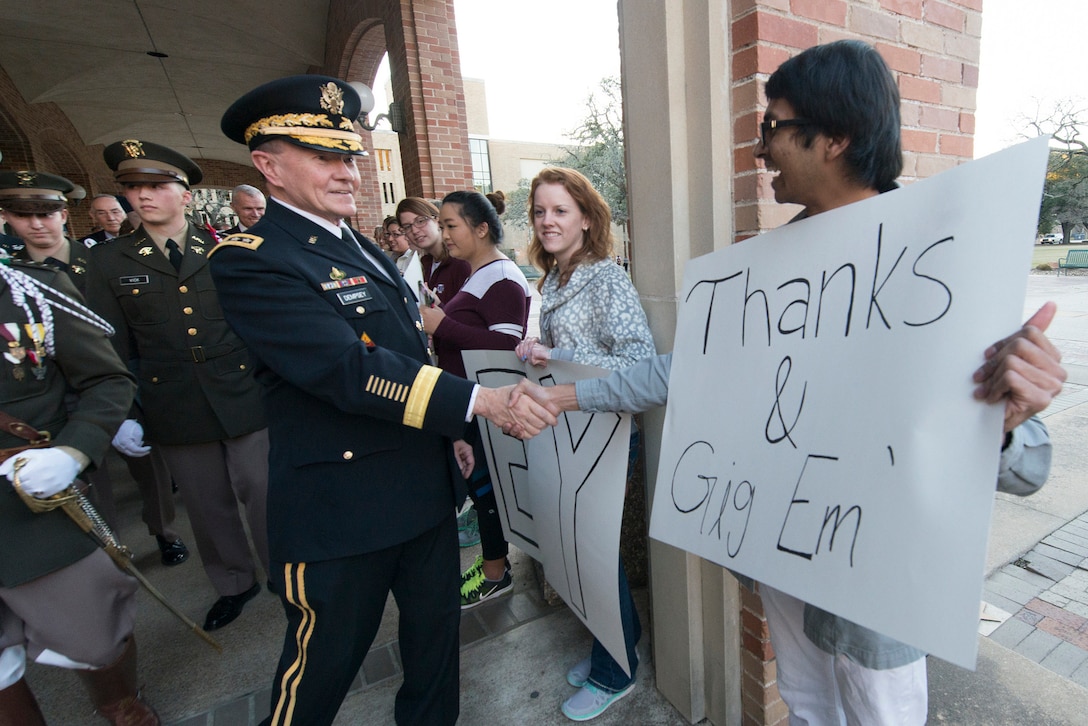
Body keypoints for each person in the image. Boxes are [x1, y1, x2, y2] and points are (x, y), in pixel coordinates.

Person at [510, 40, 1068, 726]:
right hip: (784, 552)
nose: (759, 149)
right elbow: (687, 374)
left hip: (879, 587)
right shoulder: (764, 278)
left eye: (772, 127)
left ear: (835, 137)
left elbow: (1029, 467)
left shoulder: (943, 266)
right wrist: (568, 395)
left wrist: (1008, 417)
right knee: (805, 708)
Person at [212, 75, 557, 726]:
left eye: (349, 156)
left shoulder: (357, 245)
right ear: (268, 165)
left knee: (433, 660)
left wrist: (448, 434)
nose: (346, 172)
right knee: (315, 682)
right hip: (341, 515)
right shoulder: (254, 259)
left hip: (421, 497)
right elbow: (348, 369)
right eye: (324, 156)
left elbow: (407, 352)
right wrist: (480, 405)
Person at [85, 139, 270, 632]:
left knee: (265, 486)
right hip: (173, 400)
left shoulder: (229, 248)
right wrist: (125, 410)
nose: (142, 196)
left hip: (242, 390)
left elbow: (258, 325)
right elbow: (112, 345)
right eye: (132, 187)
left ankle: (287, 570)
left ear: (185, 194)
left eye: (155, 185)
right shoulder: (108, 263)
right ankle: (234, 581)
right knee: (207, 503)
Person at [513, 166, 656, 722]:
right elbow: (562, 354)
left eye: (560, 211)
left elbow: (640, 366)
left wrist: (560, 363)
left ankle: (614, 671)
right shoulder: (555, 279)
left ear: (587, 219)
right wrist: (536, 347)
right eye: (540, 211)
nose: (547, 221)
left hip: (608, 435)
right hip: (568, 434)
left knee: (593, 557)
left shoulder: (605, 279)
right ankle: (621, 637)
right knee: (578, 553)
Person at [0, 254, 161, 724]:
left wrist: (71, 452)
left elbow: (107, 378)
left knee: (93, 629)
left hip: (28, 502)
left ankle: (120, 703)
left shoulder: (30, 291)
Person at [0, 171, 189, 568]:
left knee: (149, 472)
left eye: (46, 213)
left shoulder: (104, 260)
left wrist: (134, 399)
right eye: (23, 214)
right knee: (88, 489)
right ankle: (105, 551)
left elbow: (133, 329)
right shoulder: (11, 278)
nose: (37, 223)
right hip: (55, 403)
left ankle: (163, 533)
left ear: (63, 215)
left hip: (120, 384)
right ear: (8, 218)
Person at [420, 190, 531, 608]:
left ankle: (496, 572)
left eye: (451, 225)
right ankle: (491, 563)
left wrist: (442, 325)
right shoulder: (474, 273)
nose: (444, 235)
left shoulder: (503, 277)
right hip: (467, 403)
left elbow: (506, 347)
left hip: (488, 405)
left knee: (487, 491)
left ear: (481, 229)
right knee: (480, 488)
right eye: (443, 226)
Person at [397, 196, 470, 306]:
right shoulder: (425, 264)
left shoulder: (461, 262)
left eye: (420, 221)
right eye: (407, 227)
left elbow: (469, 318)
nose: (414, 230)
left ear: (437, 220)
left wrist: (438, 305)